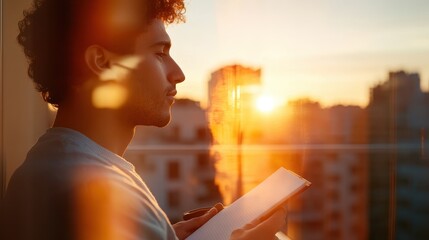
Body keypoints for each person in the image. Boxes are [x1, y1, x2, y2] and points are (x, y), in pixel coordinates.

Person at [1, 0, 287, 239]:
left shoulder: (44, 166)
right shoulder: (98, 190)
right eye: (160, 53)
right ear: (102, 63)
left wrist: (162, 234)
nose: (179, 74)